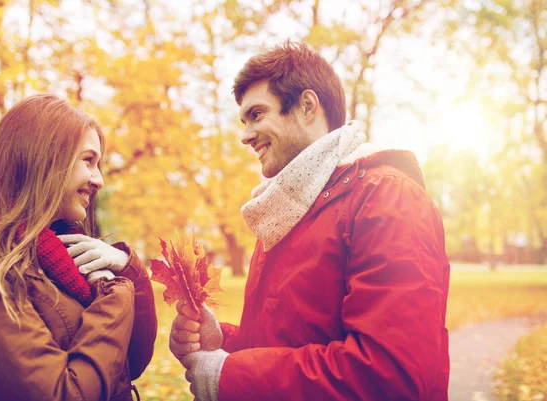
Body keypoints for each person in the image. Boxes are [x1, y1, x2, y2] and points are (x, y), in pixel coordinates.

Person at [169, 41, 450, 401]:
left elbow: (391, 376)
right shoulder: (287, 209)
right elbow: (289, 340)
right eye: (244, 120)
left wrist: (230, 376)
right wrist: (224, 339)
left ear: (306, 106)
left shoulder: (389, 200)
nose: (245, 135)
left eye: (257, 114)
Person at [0, 94, 157, 400]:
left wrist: (127, 268)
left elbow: (128, 364)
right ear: (43, 159)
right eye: (88, 160)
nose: (98, 180)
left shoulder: (60, 255)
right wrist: (117, 296)